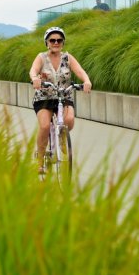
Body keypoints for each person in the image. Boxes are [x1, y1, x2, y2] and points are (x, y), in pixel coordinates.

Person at [29, 27, 92, 174]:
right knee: (44, 126)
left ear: (63, 43)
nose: (56, 42)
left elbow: (79, 70)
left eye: (59, 40)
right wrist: (34, 78)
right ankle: (40, 161)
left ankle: (62, 137)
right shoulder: (41, 57)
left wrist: (87, 81)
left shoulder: (68, 58)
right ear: (47, 42)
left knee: (69, 120)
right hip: (44, 97)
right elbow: (33, 69)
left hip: (64, 96)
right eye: (52, 40)